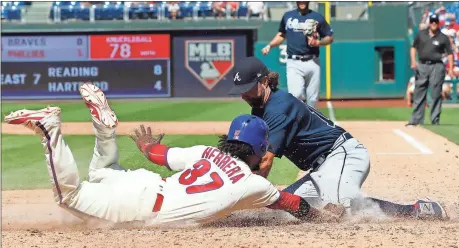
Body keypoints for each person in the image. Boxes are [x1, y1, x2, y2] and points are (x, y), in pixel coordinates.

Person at [4, 83, 344, 227]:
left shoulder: (207, 152)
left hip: (144, 183)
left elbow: (160, 155)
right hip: (140, 207)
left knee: (102, 171)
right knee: (69, 195)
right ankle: (50, 127)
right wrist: (323, 218)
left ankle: (107, 130)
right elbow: (293, 205)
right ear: (258, 151)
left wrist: (147, 147)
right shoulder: (254, 184)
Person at [229, 56, 449, 220]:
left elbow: (265, 162)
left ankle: (416, 210)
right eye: (240, 90)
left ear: (265, 81)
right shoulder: (259, 108)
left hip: (343, 154)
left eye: (248, 88)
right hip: (321, 172)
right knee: (284, 212)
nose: (243, 94)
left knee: (338, 210)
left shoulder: (277, 108)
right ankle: (341, 193)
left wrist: (239, 198)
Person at [261, 1, 334, 109]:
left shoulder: (317, 17)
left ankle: (310, 123)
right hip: (294, 62)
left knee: (313, 99)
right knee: (296, 95)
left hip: (313, 61)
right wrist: (270, 45)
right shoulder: (288, 16)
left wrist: (318, 43)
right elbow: (281, 34)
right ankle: (298, 121)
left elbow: (329, 37)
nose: (302, 2)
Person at [407, 14, 455, 126]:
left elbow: (450, 54)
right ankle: (416, 120)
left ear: (438, 23)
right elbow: (414, 47)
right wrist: (413, 61)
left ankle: (435, 121)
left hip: (437, 66)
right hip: (423, 65)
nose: (434, 23)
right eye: (432, 21)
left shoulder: (443, 37)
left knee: (436, 93)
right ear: (429, 22)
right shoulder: (421, 34)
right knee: (419, 93)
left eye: (436, 21)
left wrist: (451, 69)